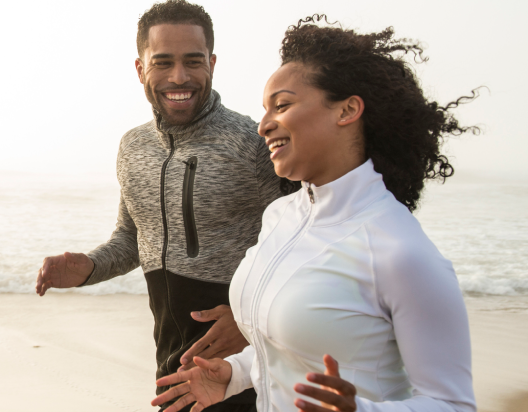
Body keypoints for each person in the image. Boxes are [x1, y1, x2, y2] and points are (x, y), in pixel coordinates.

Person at [150, 15, 479, 412]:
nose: (264, 125)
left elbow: (454, 404)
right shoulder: (279, 216)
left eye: (283, 105)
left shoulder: (401, 252)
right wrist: (235, 373)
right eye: (265, 110)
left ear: (346, 111)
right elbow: (294, 346)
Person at [34, 1, 294, 411]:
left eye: (193, 61)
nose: (180, 77)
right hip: (171, 365)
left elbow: (304, 242)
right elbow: (133, 237)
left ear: (211, 62)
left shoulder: (252, 143)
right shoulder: (133, 147)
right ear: (140, 68)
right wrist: (90, 266)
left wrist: (252, 321)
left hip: (247, 369)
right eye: (163, 62)